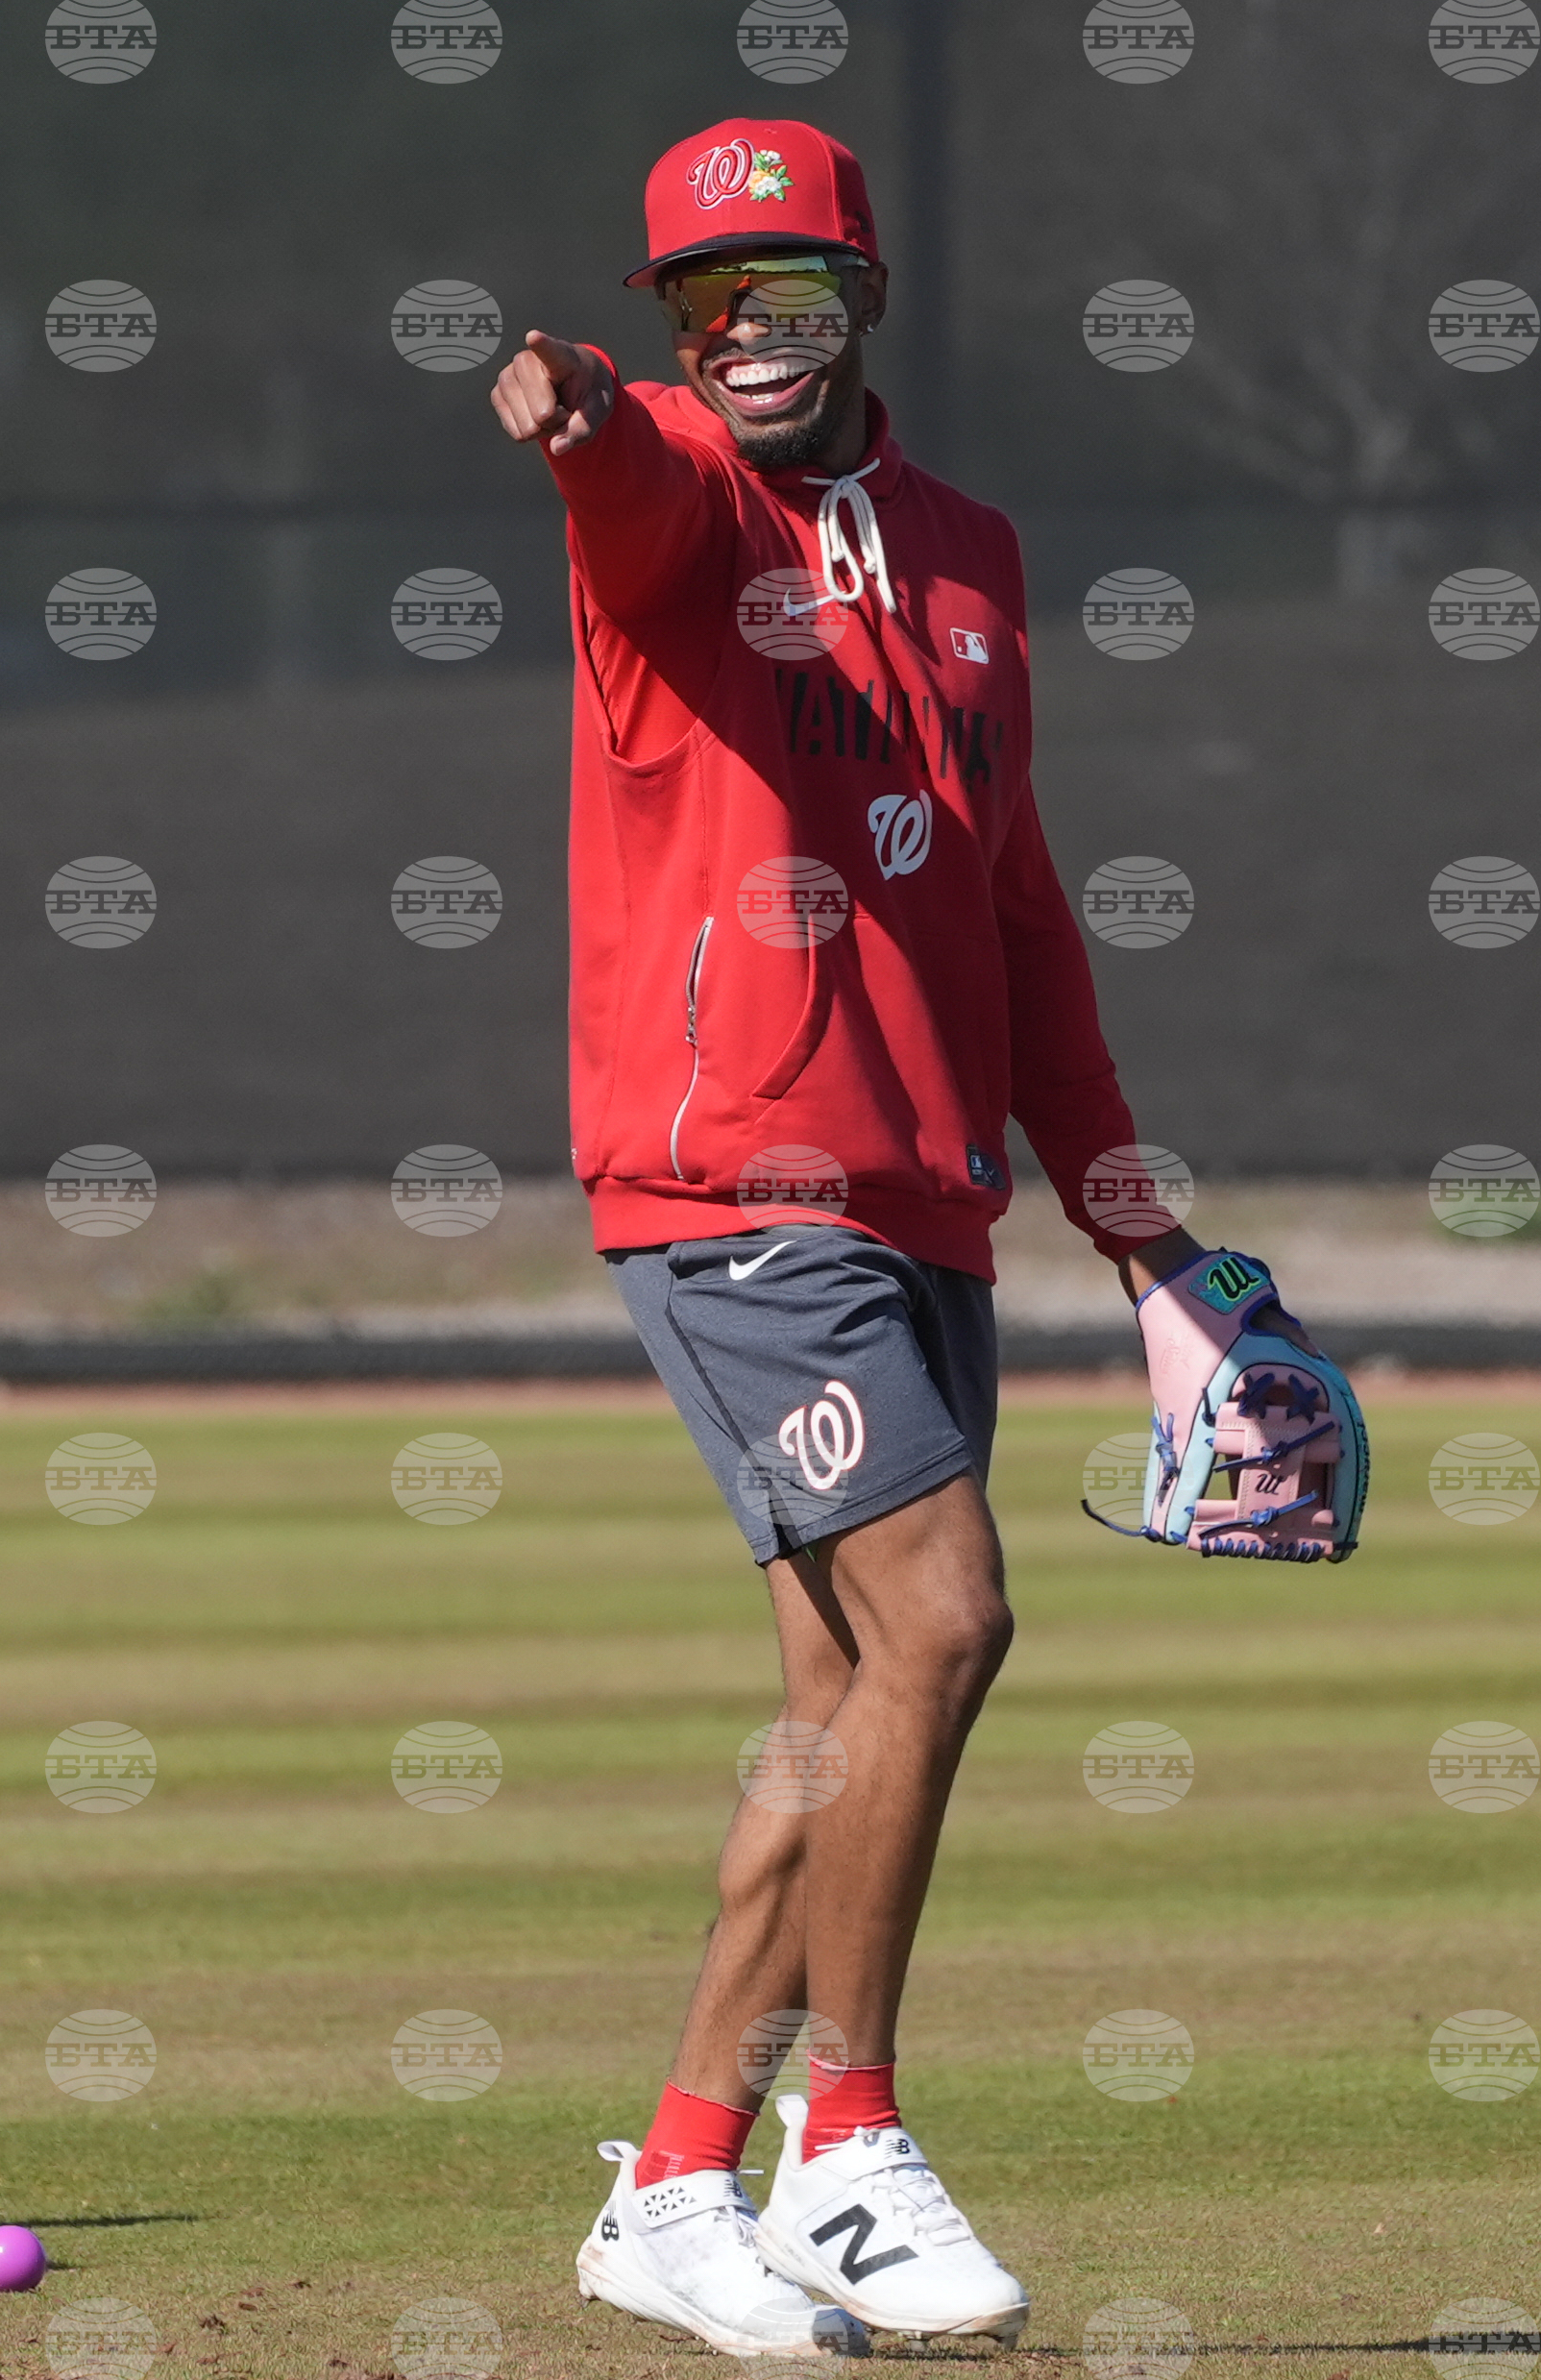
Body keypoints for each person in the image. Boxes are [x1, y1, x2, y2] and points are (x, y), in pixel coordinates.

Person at [491, 115, 1307, 2361]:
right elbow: (629, 490)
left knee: (841, 1714)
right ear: (663, 330)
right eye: (702, 303)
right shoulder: (664, 490)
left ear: (863, 294)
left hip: (925, 1185)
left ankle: (669, 2184)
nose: (747, 335)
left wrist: (1143, 1242)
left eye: (789, 293)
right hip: (736, 1177)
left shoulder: (965, 553)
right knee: (948, 1617)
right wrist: (580, 428)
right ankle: (843, 2141)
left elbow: (1018, 904)